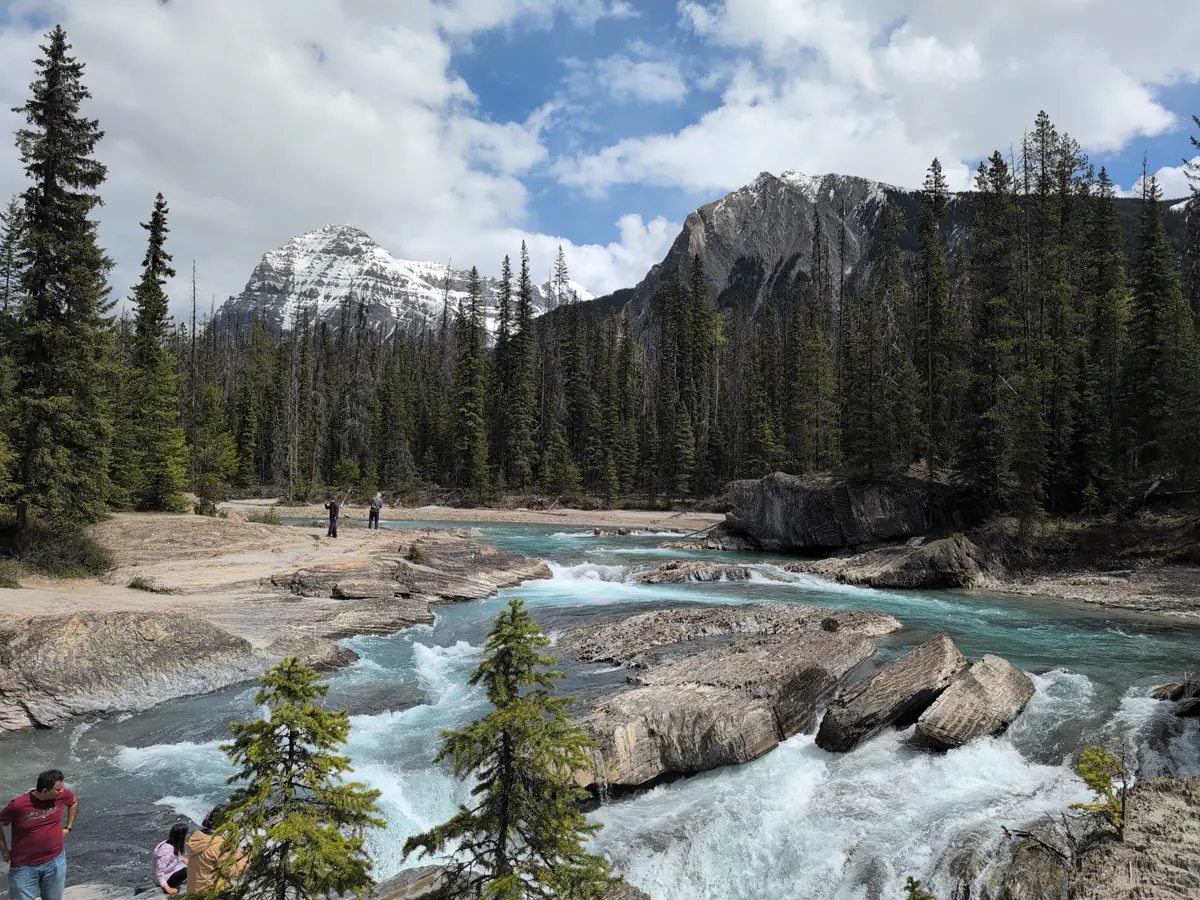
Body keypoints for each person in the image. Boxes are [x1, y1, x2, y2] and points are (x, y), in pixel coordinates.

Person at [0, 769, 78, 900]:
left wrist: (68, 827)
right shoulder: (18, 805)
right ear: (45, 791)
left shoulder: (61, 795)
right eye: (58, 789)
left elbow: (74, 801)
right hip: (24, 866)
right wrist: (4, 850)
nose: (62, 791)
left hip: (55, 861)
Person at [186, 804, 245, 895]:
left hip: (193, 893)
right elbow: (232, 871)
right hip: (211, 894)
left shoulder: (198, 838)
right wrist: (247, 857)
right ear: (226, 822)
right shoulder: (218, 845)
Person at [151, 824, 189, 895]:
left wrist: (182, 859)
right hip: (163, 879)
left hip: (169, 872)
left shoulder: (172, 843)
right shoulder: (166, 852)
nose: (187, 836)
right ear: (181, 836)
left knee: (191, 865)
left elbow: (173, 857)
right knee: (189, 870)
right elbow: (159, 873)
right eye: (186, 834)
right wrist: (168, 888)